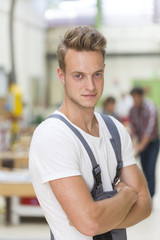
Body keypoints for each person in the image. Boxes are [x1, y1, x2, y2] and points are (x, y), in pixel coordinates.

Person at [29, 26, 151, 240]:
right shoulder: (53, 136)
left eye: (97, 74)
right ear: (62, 75)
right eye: (79, 76)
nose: (90, 86)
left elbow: (145, 205)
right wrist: (127, 195)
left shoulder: (115, 130)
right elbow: (89, 222)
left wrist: (100, 218)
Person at [129, 87, 160, 198]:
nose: (135, 101)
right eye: (133, 98)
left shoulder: (151, 108)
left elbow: (149, 130)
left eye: (136, 98)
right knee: (144, 170)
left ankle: (151, 195)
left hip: (152, 143)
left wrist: (140, 147)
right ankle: (146, 195)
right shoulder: (132, 109)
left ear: (142, 96)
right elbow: (133, 128)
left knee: (150, 169)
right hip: (141, 142)